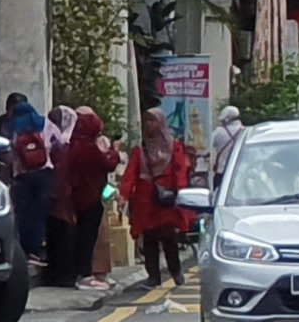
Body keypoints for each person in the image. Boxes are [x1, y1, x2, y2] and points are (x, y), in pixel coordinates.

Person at [122, 107, 195, 289]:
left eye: (152, 120)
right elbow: (131, 173)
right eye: (146, 121)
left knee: (169, 237)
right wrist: (124, 194)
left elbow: (180, 171)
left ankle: (176, 271)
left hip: (166, 200)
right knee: (149, 239)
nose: (149, 124)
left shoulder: (174, 147)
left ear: (161, 123)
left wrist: (181, 195)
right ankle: (153, 276)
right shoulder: (140, 149)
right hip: (145, 202)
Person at [53, 107, 115, 292]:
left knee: (78, 236)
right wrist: (113, 151)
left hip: (72, 197)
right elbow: (109, 164)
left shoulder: (69, 145)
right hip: (91, 197)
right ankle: (85, 275)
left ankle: (77, 273)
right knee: (88, 237)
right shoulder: (89, 148)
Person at [5, 94, 55, 285]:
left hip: (23, 176)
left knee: (24, 213)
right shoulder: (44, 123)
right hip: (44, 174)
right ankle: (37, 248)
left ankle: (26, 250)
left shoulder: (14, 127)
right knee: (40, 212)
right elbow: (58, 142)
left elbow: (9, 153)